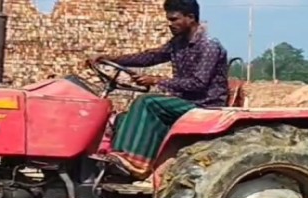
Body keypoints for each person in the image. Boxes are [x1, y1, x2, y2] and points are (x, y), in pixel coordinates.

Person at [87, 0, 229, 180]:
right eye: (169, 19)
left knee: (147, 101)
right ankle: (118, 168)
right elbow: (150, 57)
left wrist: (157, 80)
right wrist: (112, 59)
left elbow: (198, 83)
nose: (170, 24)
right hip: (185, 102)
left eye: (174, 19)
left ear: (191, 18)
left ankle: (133, 162)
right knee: (123, 118)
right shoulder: (178, 43)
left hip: (204, 106)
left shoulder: (208, 46)